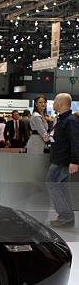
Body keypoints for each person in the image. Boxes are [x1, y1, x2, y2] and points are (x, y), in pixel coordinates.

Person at [46, 93, 79, 228]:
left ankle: (65, 216)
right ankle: (67, 217)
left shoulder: (70, 121)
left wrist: (75, 161)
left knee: (52, 184)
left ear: (60, 103)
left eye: (54, 101)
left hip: (62, 161)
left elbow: (75, 141)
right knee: (62, 188)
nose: (53, 104)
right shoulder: (61, 120)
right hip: (59, 159)